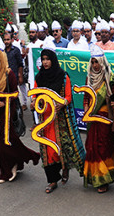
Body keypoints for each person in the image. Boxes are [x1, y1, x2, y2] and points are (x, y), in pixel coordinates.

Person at [31, 43, 86, 193]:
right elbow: (35, 95)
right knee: (48, 150)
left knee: (62, 148)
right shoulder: (39, 77)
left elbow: (68, 96)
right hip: (45, 120)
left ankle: (65, 167)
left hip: (60, 120)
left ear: (53, 60)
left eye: (48, 59)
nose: (45, 62)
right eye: (43, 59)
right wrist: (33, 102)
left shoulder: (62, 76)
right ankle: (52, 180)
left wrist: (62, 104)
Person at [0, 40, 41, 183]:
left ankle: (25, 159)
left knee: (8, 139)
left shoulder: (8, 73)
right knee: (0, 141)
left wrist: (3, 102)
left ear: (1, 58)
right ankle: (7, 169)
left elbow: (15, 93)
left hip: (7, 110)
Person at [83, 45, 114, 193]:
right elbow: (86, 98)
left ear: (102, 62)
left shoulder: (110, 76)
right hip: (92, 118)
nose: (95, 65)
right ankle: (94, 177)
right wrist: (86, 111)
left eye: (97, 61)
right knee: (91, 147)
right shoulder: (89, 77)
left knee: (103, 147)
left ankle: (104, 178)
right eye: (93, 62)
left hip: (105, 117)